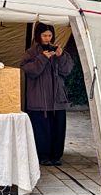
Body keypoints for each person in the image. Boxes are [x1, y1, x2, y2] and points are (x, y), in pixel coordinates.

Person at [20, 22, 74, 166]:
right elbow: (29, 71)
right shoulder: (31, 53)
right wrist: (42, 58)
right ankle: (42, 155)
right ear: (38, 35)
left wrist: (61, 56)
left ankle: (56, 156)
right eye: (44, 35)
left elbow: (67, 70)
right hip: (39, 100)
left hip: (57, 100)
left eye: (50, 35)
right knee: (41, 129)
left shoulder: (58, 50)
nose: (47, 38)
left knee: (58, 128)